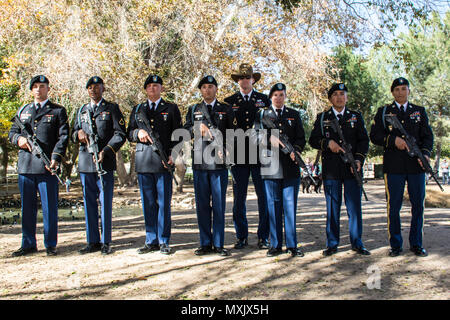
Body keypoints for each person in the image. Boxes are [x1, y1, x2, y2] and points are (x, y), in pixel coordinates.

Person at [370, 77, 434, 257]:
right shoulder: (384, 112)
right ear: (392, 92)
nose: (400, 92)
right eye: (397, 89)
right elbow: (374, 135)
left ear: (409, 91)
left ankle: (416, 244)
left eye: (403, 89)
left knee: (418, 206)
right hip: (394, 166)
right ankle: (396, 245)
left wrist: (426, 153)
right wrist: (392, 140)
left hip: (416, 166)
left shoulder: (419, 112)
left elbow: (428, 136)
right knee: (394, 206)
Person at [9, 75, 69, 256]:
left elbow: (63, 137)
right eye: (34, 86)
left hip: (47, 166)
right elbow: (12, 132)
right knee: (27, 207)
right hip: (26, 167)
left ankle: (50, 243)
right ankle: (28, 243)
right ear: (31, 90)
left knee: (50, 207)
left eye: (41, 86)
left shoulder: (58, 111)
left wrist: (56, 158)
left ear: (48, 89)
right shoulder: (24, 110)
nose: (38, 89)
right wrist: (18, 138)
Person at [309, 83, 371, 256]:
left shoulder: (355, 117)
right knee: (332, 208)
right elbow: (313, 140)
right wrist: (327, 144)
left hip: (352, 168)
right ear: (330, 98)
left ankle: (357, 242)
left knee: (354, 208)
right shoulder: (323, 118)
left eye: (342, 94)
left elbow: (363, 141)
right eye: (335, 94)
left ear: (347, 97)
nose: (339, 97)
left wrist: (359, 159)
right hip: (331, 170)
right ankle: (332, 243)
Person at [127, 74, 182, 255]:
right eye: (149, 85)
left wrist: (174, 154)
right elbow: (129, 134)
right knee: (148, 203)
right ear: (145, 89)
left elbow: (179, 135)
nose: (152, 88)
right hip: (143, 161)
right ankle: (151, 240)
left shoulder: (171, 108)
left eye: (156, 85)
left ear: (161, 89)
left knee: (163, 203)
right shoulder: (137, 110)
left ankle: (164, 240)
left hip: (163, 161)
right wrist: (138, 133)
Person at [72, 76, 126, 255]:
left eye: (97, 86)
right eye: (90, 87)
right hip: (86, 163)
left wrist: (107, 150)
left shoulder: (112, 108)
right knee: (88, 202)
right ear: (87, 90)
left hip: (105, 162)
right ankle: (92, 241)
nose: (93, 90)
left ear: (103, 88)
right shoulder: (81, 110)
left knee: (105, 203)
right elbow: (72, 132)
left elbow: (120, 134)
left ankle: (106, 241)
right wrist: (78, 134)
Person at [184, 75, 234, 256]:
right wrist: (198, 128)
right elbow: (185, 131)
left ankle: (219, 243)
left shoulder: (226, 109)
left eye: (211, 86)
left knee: (219, 206)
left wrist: (228, 149)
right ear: (200, 90)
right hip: (200, 163)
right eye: (204, 87)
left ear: (216, 89)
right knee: (203, 205)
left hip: (219, 164)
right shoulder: (193, 110)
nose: (207, 89)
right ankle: (205, 243)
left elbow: (233, 134)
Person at [254, 83, 306, 257]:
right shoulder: (262, 115)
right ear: (270, 97)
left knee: (290, 207)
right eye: (275, 95)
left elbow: (301, 138)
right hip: (270, 166)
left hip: (291, 167)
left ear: (285, 97)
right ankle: (275, 244)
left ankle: (292, 244)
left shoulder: (293, 114)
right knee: (273, 205)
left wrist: (297, 150)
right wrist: (269, 140)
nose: (278, 98)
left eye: (281, 95)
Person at [224, 63, 271, 250]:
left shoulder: (264, 100)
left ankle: (263, 236)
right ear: (238, 81)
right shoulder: (228, 101)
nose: (244, 81)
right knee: (239, 199)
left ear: (253, 79)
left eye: (247, 77)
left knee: (263, 198)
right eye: (241, 78)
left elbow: (271, 125)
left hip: (260, 155)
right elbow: (225, 127)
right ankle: (241, 236)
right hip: (238, 155)